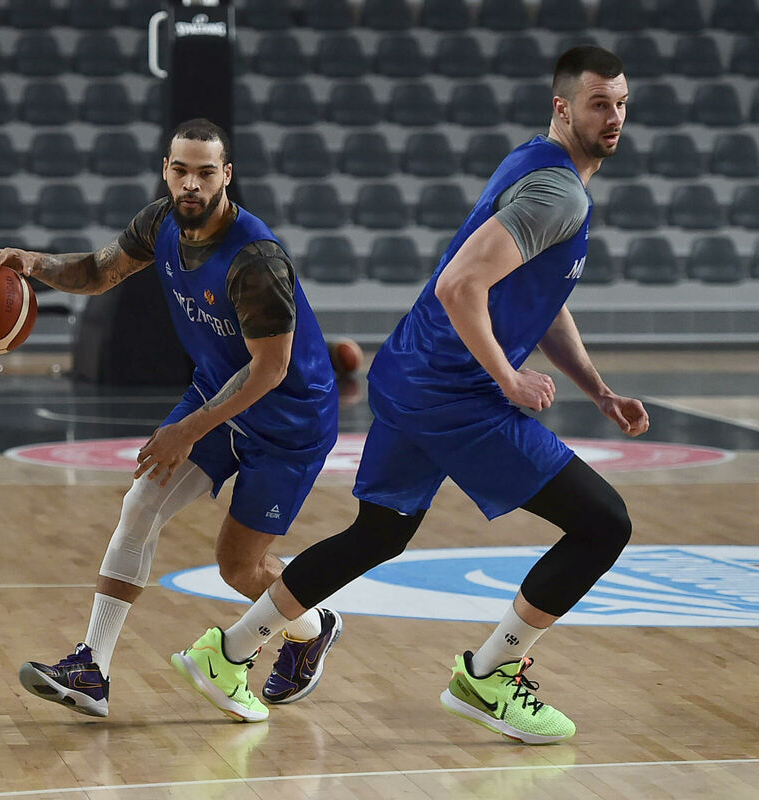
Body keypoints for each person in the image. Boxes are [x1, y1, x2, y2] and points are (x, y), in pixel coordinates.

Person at [173, 46, 649, 743]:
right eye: (599, 103)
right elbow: (461, 286)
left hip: (408, 375)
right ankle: (490, 675)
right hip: (453, 394)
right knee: (604, 524)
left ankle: (228, 654)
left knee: (379, 533)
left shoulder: (534, 164)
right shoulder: (560, 194)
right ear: (563, 107)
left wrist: (598, 390)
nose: (614, 117)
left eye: (621, 103)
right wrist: (508, 378)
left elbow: (538, 297)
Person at [0, 118, 343, 722]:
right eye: (180, 170)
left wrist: (187, 430)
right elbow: (99, 272)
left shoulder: (256, 259)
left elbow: (271, 369)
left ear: (226, 176)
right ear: (166, 171)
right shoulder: (159, 222)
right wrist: (33, 262)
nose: (191, 184)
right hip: (217, 392)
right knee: (140, 503)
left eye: (204, 172)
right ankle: (91, 670)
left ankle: (313, 627)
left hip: (289, 421)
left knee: (238, 568)